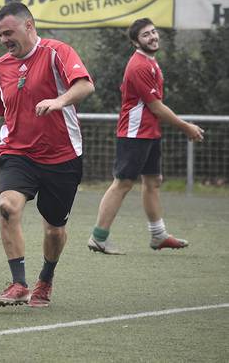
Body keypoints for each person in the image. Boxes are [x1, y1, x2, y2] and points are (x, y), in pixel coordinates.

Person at [0, 2, 95, 308]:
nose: (3, 40)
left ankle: (45, 279)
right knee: (7, 207)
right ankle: (19, 284)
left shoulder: (56, 52)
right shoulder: (0, 67)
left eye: (8, 33)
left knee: (54, 229)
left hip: (62, 156)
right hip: (17, 153)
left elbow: (85, 85)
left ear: (29, 25)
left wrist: (59, 100)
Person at [87, 18, 204, 255]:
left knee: (152, 182)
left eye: (153, 32)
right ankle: (98, 237)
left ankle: (158, 235)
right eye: (145, 35)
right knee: (123, 183)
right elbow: (156, 106)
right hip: (135, 133)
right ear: (135, 42)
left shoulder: (151, 62)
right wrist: (185, 126)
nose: (152, 37)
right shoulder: (139, 65)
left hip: (149, 132)